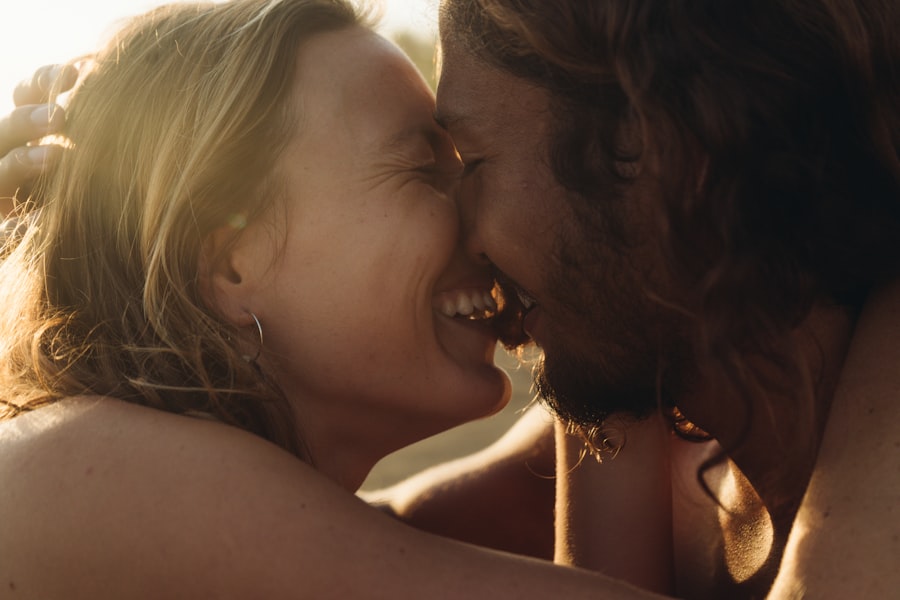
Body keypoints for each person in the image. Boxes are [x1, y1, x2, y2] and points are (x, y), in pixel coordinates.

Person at [3, 0, 898, 598]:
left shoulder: (322, 523)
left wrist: (613, 294)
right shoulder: (72, 466)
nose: (467, 223)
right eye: (424, 166)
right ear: (233, 263)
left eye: (469, 164)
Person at [369, 0, 900, 598]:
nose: (463, 242)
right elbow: (370, 533)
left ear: (651, 141)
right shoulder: (654, 413)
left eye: (475, 161)